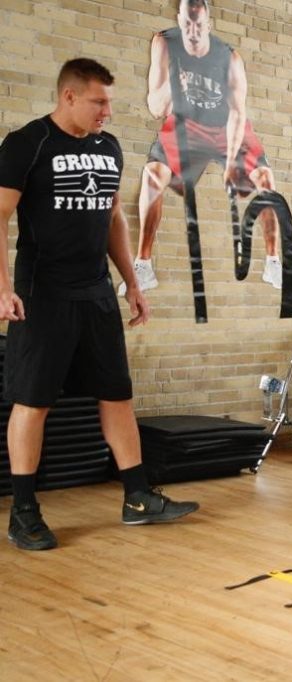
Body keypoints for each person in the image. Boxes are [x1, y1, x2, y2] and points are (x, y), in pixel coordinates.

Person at [0, 58, 199, 551]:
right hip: (41, 295)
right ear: (69, 96)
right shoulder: (28, 144)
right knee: (33, 401)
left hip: (96, 292)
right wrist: (3, 287)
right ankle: (23, 511)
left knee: (117, 394)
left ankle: (136, 497)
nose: (107, 111)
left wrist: (131, 281)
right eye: (99, 101)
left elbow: (114, 218)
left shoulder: (107, 148)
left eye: (108, 102)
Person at [124, 0, 281, 293]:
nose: (193, 32)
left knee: (266, 179)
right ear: (179, 21)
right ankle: (143, 266)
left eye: (199, 26)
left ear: (208, 25)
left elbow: (237, 113)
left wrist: (232, 163)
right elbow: (157, 108)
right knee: (153, 175)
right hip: (186, 125)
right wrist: (179, 71)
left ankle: (273, 260)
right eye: (187, 24)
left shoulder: (229, 57)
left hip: (225, 125)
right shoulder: (164, 44)